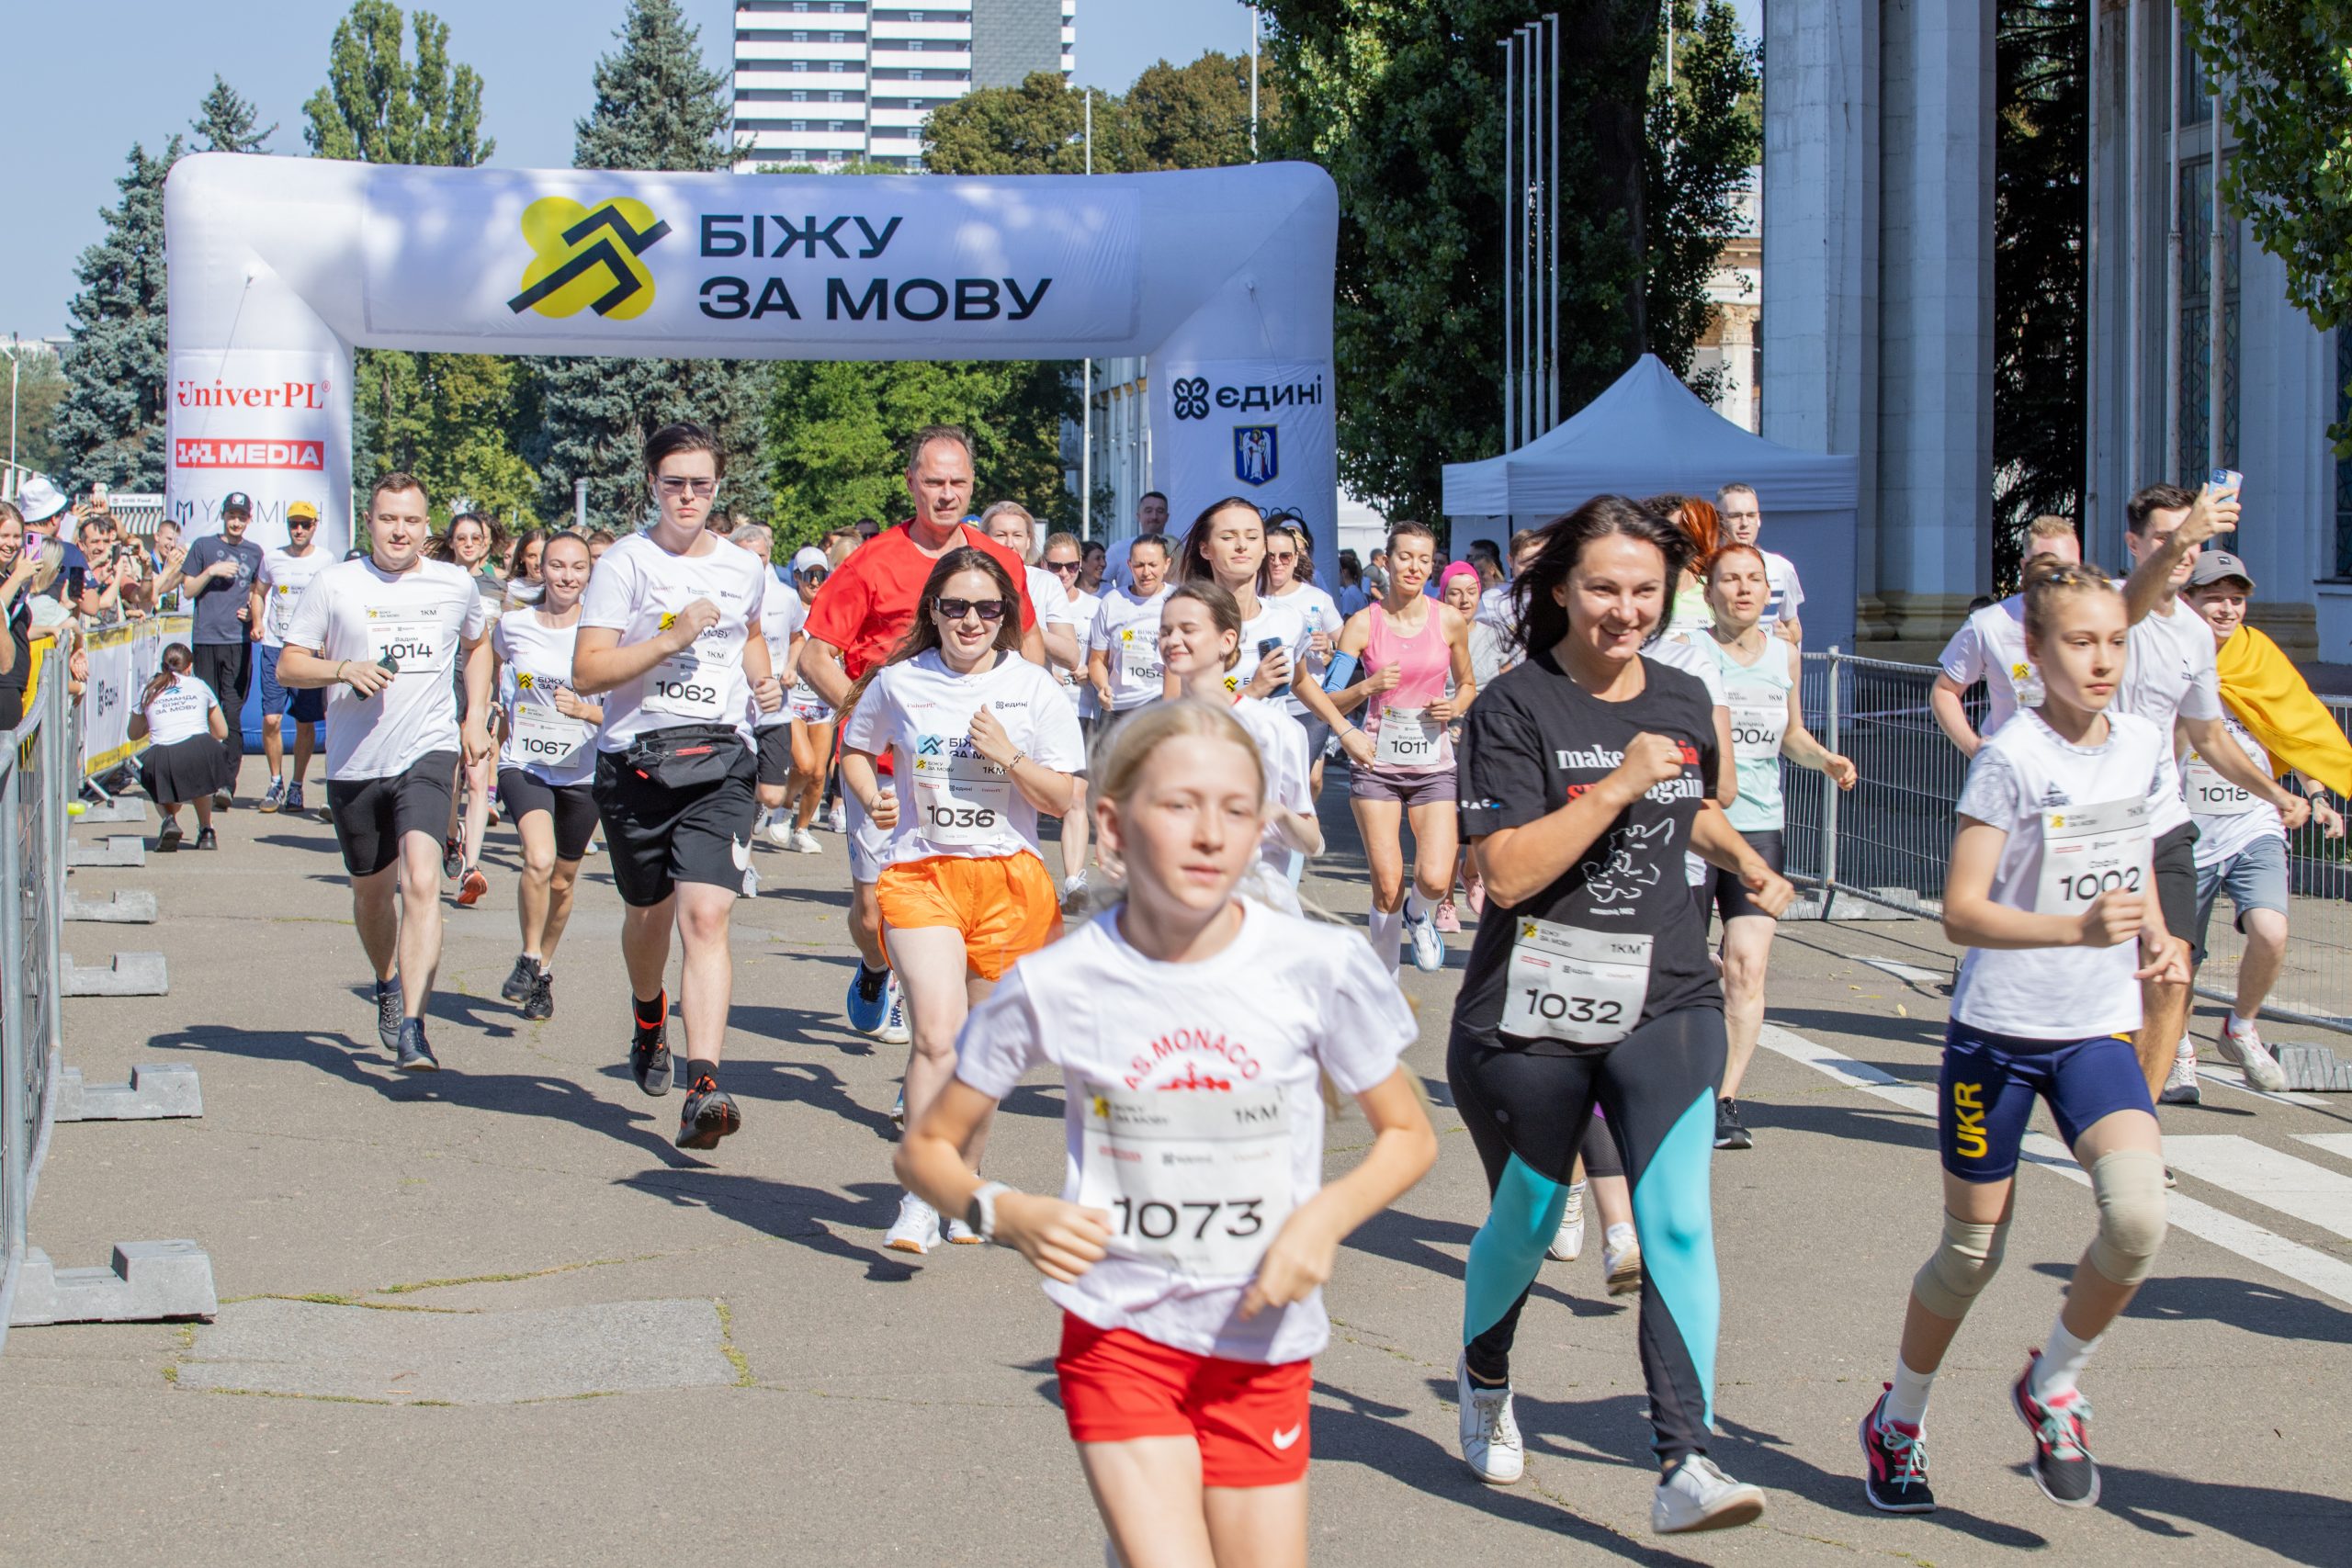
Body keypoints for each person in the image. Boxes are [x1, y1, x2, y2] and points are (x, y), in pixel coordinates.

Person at [895, 700, 1437, 1568]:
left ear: (1261, 828)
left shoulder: (1318, 968)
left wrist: (1321, 1220)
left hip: (1262, 1342)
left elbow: (1409, 1134)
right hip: (1120, 1334)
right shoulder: (1060, 980)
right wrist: (1007, 1212)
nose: (1210, 832)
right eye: (1180, 804)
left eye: (1235, 809)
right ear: (1113, 825)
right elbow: (924, 1148)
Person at [1447, 494, 1792, 1533]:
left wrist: (1747, 863)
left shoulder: (1683, 697)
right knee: (1525, 1221)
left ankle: (1686, 1461)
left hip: (1666, 997)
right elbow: (1508, 873)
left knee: (1675, 1219)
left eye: (1645, 591)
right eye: (1603, 587)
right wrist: (1613, 785)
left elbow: (1692, 806)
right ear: (1560, 590)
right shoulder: (1513, 707)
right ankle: (1485, 1375)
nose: (1625, 609)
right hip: (1529, 1010)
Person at [1857, 558, 2183, 1516]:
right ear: (2034, 652)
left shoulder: (2139, 743)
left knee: (2137, 1219)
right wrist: (2075, 930)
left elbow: (2130, 854)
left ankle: (2054, 1384)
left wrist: (2156, 934)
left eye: (2115, 642)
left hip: (2094, 1033)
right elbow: (1960, 912)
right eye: (2080, 643)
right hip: (1997, 1035)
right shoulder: (2011, 757)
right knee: (1971, 1254)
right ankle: (1899, 1419)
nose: (2102, 661)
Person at [842, 547, 1084, 1252]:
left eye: (986, 607)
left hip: (1009, 881)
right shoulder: (899, 681)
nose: (970, 620)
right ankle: (921, 1196)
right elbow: (855, 747)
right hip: (921, 875)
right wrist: (873, 795)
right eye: (955, 606)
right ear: (934, 611)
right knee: (936, 1036)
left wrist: (1009, 755)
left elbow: (1067, 797)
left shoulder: (1034, 688)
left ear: (1006, 614)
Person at [572, 423, 783, 1151]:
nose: (687, 496)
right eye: (674, 483)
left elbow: (749, 633)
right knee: (648, 916)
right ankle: (647, 1015)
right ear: (652, 485)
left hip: (720, 761)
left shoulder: (742, 566)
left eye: (700, 484)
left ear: (718, 486)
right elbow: (587, 672)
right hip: (636, 762)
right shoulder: (625, 564)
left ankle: (704, 1086)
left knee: (706, 917)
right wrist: (669, 637)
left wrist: (763, 682)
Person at [797, 427, 1041, 1051]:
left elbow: (1027, 646)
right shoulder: (873, 560)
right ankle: (874, 965)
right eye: (934, 481)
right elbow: (815, 656)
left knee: (952, 902)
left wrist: (1029, 720)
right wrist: (873, 717)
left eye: (958, 482)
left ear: (973, 484)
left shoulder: (998, 561)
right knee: (872, 913)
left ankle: (929, 1030)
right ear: (911, 483)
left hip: (968, 766)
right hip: (882, 769)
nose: (947, 493)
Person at [275, 472, 492, 1072]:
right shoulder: (335, 583)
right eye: (389, 519)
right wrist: (343, 669)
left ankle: (415, 1026)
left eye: (412, 520)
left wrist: (474, 715)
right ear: (369, 522)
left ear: (426, 526)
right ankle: (387, 979)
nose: (400, 531)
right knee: (372, 897)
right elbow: (290, 664)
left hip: (428, 749)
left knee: (421, 880)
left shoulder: (454, 584)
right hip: (357, 762)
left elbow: (478, 645)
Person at [2111, 482, 2308, 1105]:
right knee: (2095, 985)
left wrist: (2274, 792)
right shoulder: (2110, 604)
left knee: (2170, 971)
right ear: (2134, 543)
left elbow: (2209, 734)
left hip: (2164, 821)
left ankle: (2136, 1123)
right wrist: (2186, 538)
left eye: (2191, 537)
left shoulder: (2196, 637)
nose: (2184, 549)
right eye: (2167, 538)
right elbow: (2131, 609)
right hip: (2096, 823)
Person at [1679, 545, 1858, 1148]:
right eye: (1731, 579)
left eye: (1754, 579)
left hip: (1760, 824)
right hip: (1698, 822)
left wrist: (1825, 759)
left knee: (1748, 967)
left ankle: (1722, 1099)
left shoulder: (1785, 653)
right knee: (1682, 962)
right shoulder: (1690, 651)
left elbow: (1792, 734)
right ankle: (1676, 1083)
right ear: (1709, 591)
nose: (1744, 589)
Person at [2175, 550, 2346, 1093]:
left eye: (2236, 599)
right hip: (2183, 829)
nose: (2227, 609)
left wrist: (2316, 794)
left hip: (2254, 822)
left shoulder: (2259, 655)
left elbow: (2291, 727)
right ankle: (2178, 1048)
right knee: (2179, 959)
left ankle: (2241, 1027)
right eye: (2214, 598)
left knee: (2272, 931)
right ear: (2187, 600)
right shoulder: (2166, 652)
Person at [1301, 522, 1476, 976]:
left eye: (1423, 559)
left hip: (1434, 764)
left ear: (1431, 566)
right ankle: (1384, 986)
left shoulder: (1449, 620)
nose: (1414, 567)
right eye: (1405, 557)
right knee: (1386, 884)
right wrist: (1368, 687)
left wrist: (1454, 706)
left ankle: (1419, 914)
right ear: (1388, 560)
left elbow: (1468, 685)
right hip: (1375, 762)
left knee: (1434, 878)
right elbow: (1329, 698)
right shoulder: (1363, 624)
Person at [489, 532, 604, 1021]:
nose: (566, 577)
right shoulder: (514, 625)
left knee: (562, 880)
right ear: (541, 568)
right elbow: (485, 659)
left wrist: (585, 710)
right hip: (525, 763)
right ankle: (529, 956)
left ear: (589, 574)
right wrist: (484, 710)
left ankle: (544, 972)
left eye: (578, 568)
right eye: (557, 565)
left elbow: (625, 712)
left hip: (582, 770)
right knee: (538, 858)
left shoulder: (604, 635)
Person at [1159, 582, 1323, 904]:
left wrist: (1276, 813)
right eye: (1165, 631)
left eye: (1188, 630)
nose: (1173, 640)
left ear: (1227, 640)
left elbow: (1312, 843)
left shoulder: (1276, 729)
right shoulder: (1149, 733)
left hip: (1259, 908)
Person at [1930, 517, 2084, 756]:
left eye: (2070, 569)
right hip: (2015, 768)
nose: (2060, 579)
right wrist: (1974, 747)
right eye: (2048, 568)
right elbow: (1944, 691)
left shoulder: (2097, 620)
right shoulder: (1989, 624)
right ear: (2025, 567)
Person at [155, 491, 263, 807]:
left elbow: (256, 593)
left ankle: (226, 784)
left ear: (249, 519)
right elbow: (188, 590)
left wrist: (252, 614)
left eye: (241, 517)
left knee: (232, 714)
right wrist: (211, 571)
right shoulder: (203, 546)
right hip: (205, 640)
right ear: (223, 516)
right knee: (205, 712)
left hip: (237, 643)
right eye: (231, 516)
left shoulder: (255, 552)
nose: (236, 522)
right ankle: (206, 780)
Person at [253, 501, 331, 816]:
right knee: (271, 719)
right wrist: (257, 622)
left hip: (308, 649)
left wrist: (327, 640)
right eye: (294, 524)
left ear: (314, 526)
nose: (299, 530)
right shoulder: (272, 558)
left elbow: (332, 601)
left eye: (305, 524)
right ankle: (276, 782)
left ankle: (297, 785)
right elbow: (259, 592)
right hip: (275, 646)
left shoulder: (326, 560)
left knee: (305, 723)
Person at [1264, 520, 1342, 792]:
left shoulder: (1317, 598)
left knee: (1309, 780)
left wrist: (1329, 647)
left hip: (1309, 704)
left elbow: (1347, 647)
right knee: (1279, 781)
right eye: (1270, 556)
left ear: (1296, 558)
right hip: (1266, 704)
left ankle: (1303, 817)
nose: (1277, 562)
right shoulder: (1252, 598)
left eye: (1285, 556)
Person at [1044, 528, 1102, 889]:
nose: (1063, 573)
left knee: (1077, 796)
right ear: (1043, 565)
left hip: (1081, 710)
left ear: (1080, 566)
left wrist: (1091, 670)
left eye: (1070, 566)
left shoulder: (1095, 607)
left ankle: (1073, 880)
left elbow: (1106, 658)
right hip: (1038, 712)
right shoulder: (1033, 601)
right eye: (1055, 566)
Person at [768, 545, 836, 852]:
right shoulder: (788, 607)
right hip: (792, 700)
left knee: (819, 775)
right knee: (805, 765)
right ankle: (784, 806)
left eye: (821, 574)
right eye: (809, 575)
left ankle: (802, 830)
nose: (815, 581)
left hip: (822, 703)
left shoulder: (834, 611)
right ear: (796, 576)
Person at [131, 642, 230, 852]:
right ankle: (206, 829)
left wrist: (154, 721)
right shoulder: (199, 685)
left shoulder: (148, 688)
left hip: (163, 755)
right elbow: (222, 732)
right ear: (189, 667)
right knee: (200, 769)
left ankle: (169, 820)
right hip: (200, 748)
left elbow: (133, 734)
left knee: (154, 770)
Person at [1085, 532, 1175, 758]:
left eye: (1153, 565)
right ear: (1129, 565)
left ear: (1166, 564)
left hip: (1161, 706)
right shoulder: (1112, 602)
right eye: (1139, 565)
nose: (1146, 572)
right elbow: (1097, 660)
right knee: (1113, 776)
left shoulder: (1179, 600)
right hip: (1118, 709)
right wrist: (1102, 686)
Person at [1714, 483, 1805, 642]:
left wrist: (1789, 636)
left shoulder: (1782, 568)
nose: (1744, 523)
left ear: (1759, 519)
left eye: (1751, 515)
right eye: (1735, 516)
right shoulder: (1703, 568)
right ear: (1718, 519)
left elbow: (1792, 624)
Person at [0, 502, 39, 731]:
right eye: (4, 536)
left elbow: (14, 625)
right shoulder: (12, 578)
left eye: (16, 536)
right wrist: (17, 578)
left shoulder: (7, 575)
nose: (11, 543)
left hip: (13, 684)